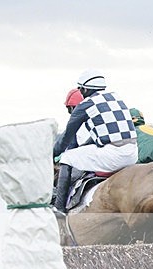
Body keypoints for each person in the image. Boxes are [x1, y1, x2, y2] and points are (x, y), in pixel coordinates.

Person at [52, 69, 137, 212]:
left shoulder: (86, 105)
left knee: (67, 157)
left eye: (80, 88)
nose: (80, 91)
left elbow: (66, 138)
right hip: (133, 152)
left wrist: (52, 154)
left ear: (85, 88)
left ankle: (59, 208)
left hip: (114, 155)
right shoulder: (115, 97)